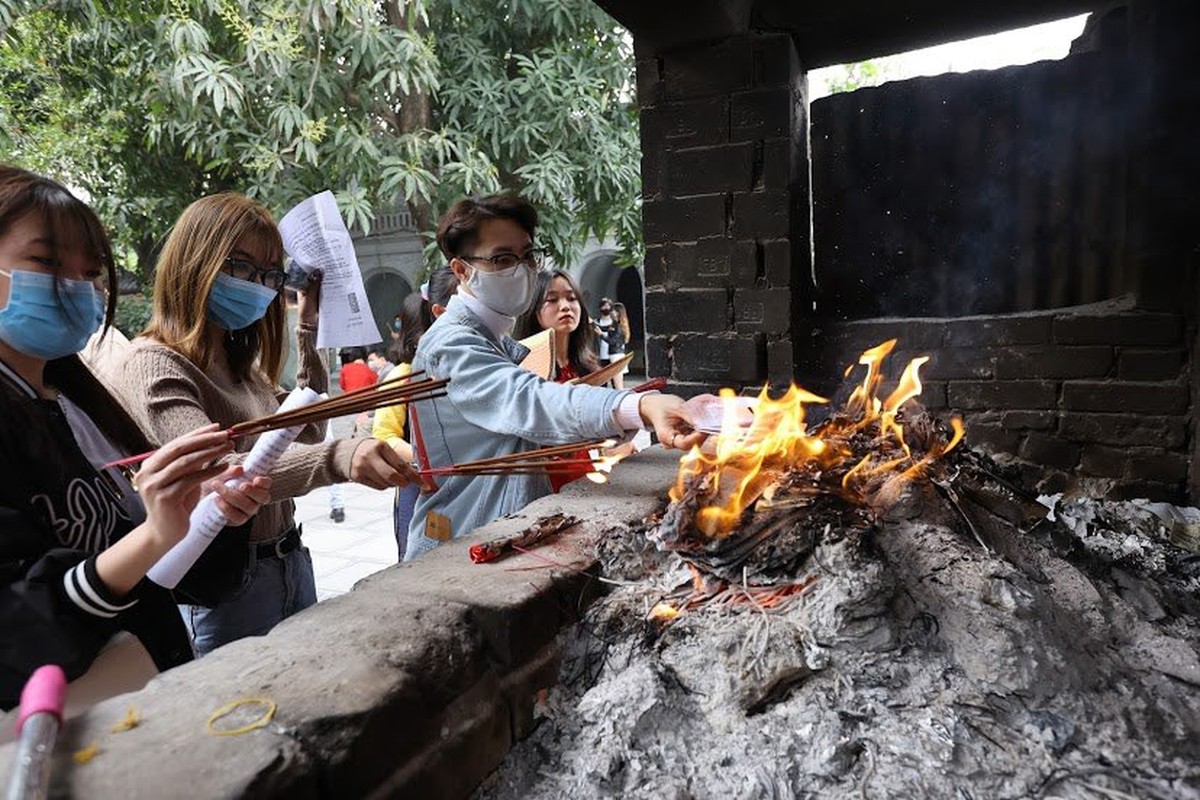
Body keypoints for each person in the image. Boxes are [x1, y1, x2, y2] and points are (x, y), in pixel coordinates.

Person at [0, 166, 270, 708]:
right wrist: (150, 538)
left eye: (92, 273)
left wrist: (209, 515)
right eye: (47, 263)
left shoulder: (80, 403)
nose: (76, 288)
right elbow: (14, 633)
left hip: (148, 699)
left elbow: (181, 579)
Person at [106, 192, 421, 655]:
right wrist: (340, 458)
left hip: (289, 558)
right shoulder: (154, 364)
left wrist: (308, 333)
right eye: (242, 267)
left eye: (270, 275)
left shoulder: (242, 369)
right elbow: (224, 471)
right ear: (196, 263)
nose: (258, 285)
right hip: (226, 583)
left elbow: (306, 429)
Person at [404, 194, 705, 560]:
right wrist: (637, 405)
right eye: (502, 258)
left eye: (527, 256)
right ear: (462, 270)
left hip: (491, 532)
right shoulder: (451, 344)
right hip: (461, 539)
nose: (521, 269)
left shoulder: (494, 338)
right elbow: (529, 400)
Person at [372, 292, 436, 560]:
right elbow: (385, 437)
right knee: (419, 556)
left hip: (459, 481)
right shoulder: (402, 377)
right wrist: (430, 461)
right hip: (418, 485)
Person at [595, 298, 631, 389]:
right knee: (614, 382)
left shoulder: (619, 327)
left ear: (618, 313)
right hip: (613, 355)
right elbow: (604, 328)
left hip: (616, 356)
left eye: (614, 311)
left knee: (618, 384)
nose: (612, 313)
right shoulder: (615, 325)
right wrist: (593, 323)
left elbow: (612, 341)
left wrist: (601, 335)